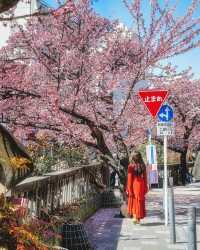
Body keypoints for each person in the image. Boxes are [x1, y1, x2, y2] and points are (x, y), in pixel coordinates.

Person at [126, 151, 148, 224]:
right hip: (141, 184)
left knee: (135, 200)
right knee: (139, 200)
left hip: (134, 184)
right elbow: (145, 177)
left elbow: (129, 179)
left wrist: (129, 189)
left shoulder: (131, 166)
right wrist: (145, 186)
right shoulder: (143, 165)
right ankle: (138, 217)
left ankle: (136, 217)